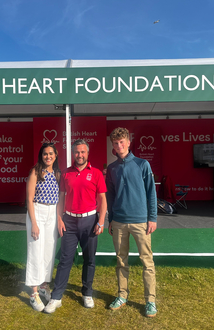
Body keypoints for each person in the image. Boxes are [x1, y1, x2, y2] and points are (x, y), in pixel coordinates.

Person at [44, 139, 107, 314]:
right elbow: (61, 198)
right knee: (65, 260)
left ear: (87, 153)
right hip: (69, 221)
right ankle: (56, 297)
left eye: (82, 152)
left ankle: (87, 293)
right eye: (77, 152)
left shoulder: (96, 173)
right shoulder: (65, 173)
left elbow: (102, 199)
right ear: (73, 154)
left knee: (90, 260)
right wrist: (59, 218)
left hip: (90, 221)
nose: (79, 155)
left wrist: (101, 221)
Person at [105, 127, 158, 318]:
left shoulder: (142, 164)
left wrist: (152, 218)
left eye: (122, 142)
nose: (119, 146)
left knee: (147, 262)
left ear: (128, 142)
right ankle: (122, 295)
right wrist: (110, 219)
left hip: (141, 222)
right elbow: (110, 196)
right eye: (115, 143)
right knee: (121, 261)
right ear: (113, 145)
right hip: (118, 222)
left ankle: (150, 301)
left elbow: (151, 192)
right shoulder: (111, 169)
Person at [25, 143, 61, 312]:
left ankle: (44, 286)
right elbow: (29, 199)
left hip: (52, 212)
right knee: (35, 251)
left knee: (48, 251)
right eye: (45, 154)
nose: (48, 156)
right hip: (37, 211)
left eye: (51, 153)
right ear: (41, 155)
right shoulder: (35, 172)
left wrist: (59, 219)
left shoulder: (58, 173)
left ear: (56, 155)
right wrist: (34, 222)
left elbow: (60, 198)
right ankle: (33, 294)